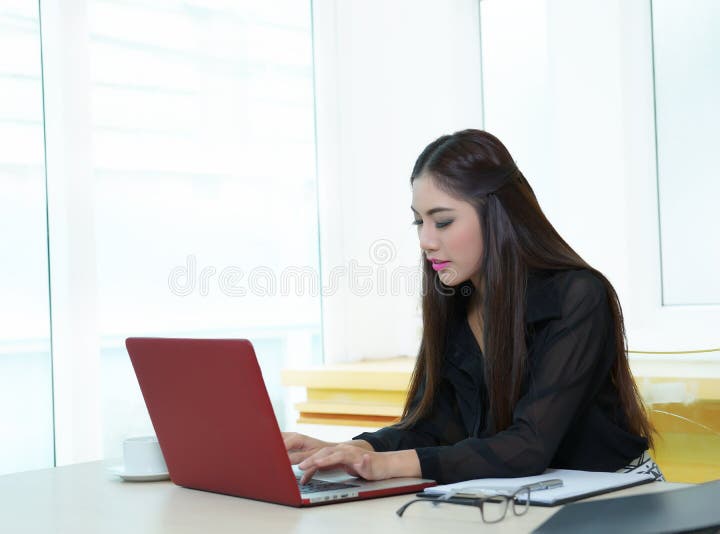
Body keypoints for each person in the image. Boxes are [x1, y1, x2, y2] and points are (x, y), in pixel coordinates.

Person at [283, 128, 664, 485]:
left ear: (497, 215)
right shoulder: (456, 300)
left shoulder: (578, 296)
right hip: (527, 497)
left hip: (617, 495)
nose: (426, 241)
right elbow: (432, 427)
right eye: (418, 222)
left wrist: (388, 464)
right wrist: (356, 450)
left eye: (443, 222)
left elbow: (529, 445)